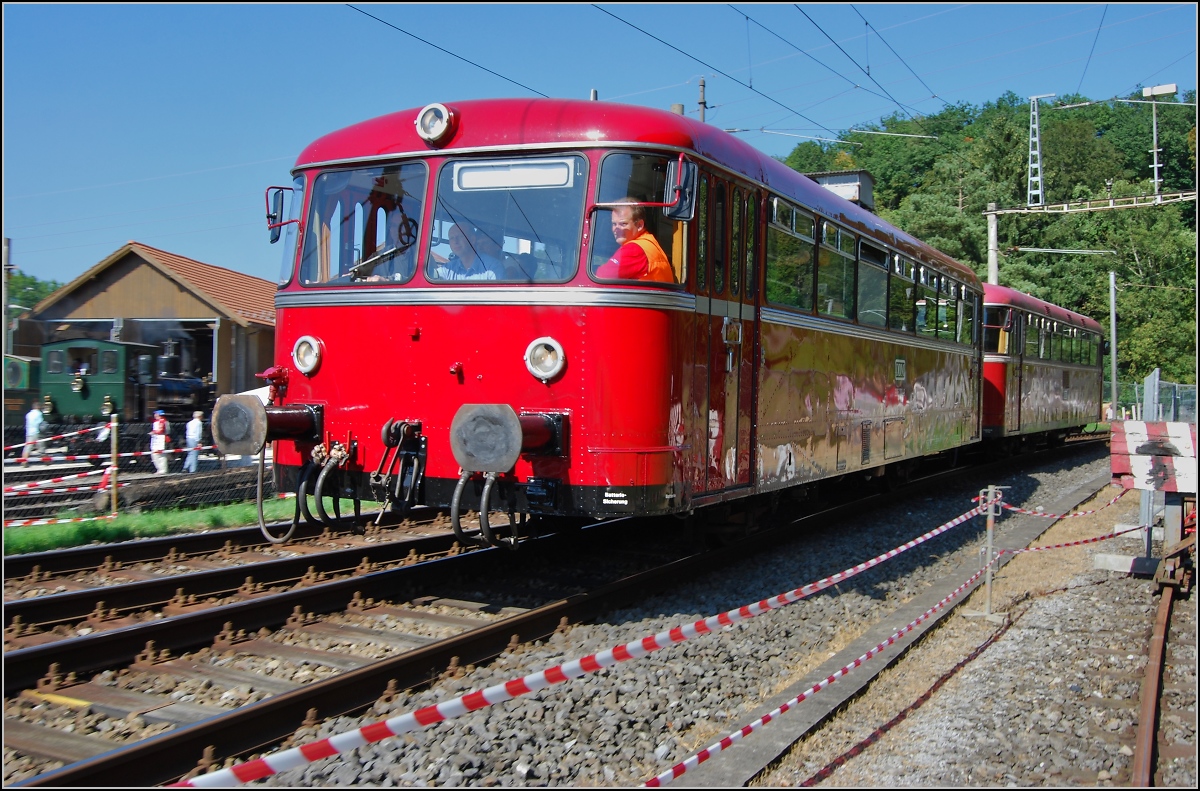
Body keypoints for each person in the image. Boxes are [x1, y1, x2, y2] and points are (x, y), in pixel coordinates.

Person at [595, 199, 674, 283]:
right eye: (614, 224)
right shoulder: (648, 244)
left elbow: (600, 276)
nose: (616, 229)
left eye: (623, 224)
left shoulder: (635, 249)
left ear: (639, 225)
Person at [433, 223, 502, 281]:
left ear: (473, 239)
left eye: (460, 236)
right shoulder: (448, 268)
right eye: (452, 238)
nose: (455, 241)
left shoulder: (493, 267)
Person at [363, 209, 417, 282]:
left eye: (400, 226)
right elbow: (362, 270)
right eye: (393, 226)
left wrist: (387, 280)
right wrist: (351, 275)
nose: (397, 230)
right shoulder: (381, 256)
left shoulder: (421, 255)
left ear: (408, 229)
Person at [149, 410, 170, 474]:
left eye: (156, 414)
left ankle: (162, 469)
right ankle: (159, 469)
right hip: (155, 439)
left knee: (161, 454)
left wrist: (154, 432)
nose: (155, 415)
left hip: (160, 439)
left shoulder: (162, 421)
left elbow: (161, 430)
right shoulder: (156, 421)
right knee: (154, 454)